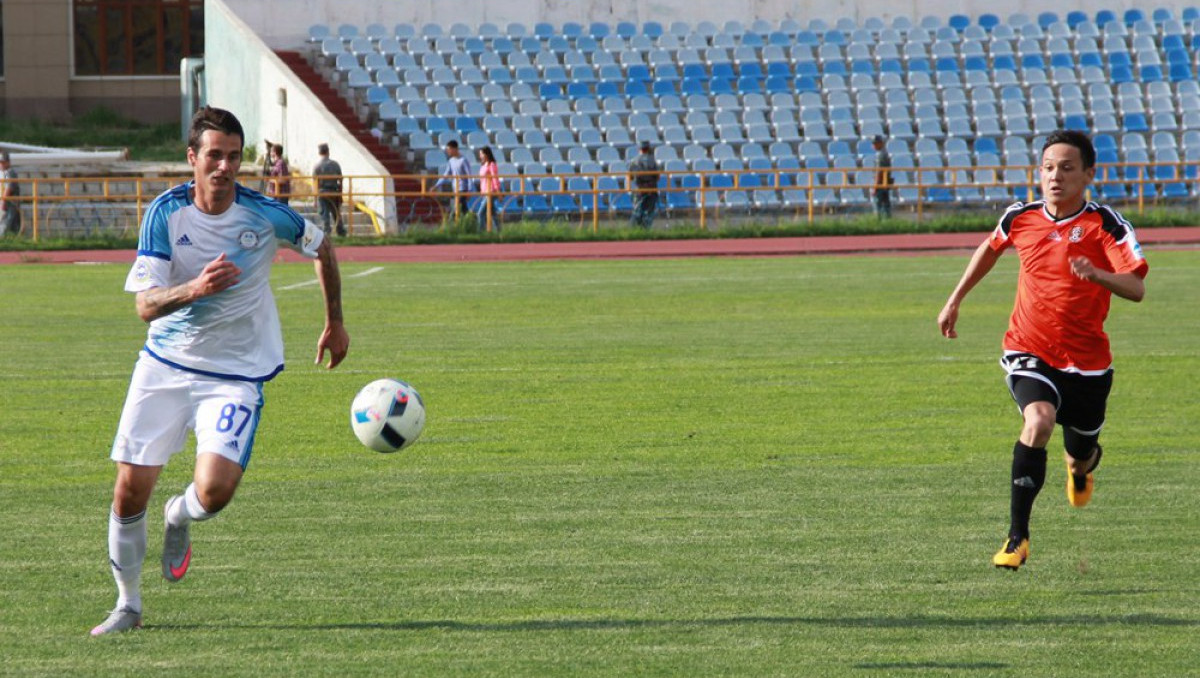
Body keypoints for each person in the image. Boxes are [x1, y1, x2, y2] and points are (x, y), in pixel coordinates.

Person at [90, 106, 350, 636]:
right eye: (214, 155)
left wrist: (335, 322)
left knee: (214, 492)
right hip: (163, 366)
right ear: (193, 158)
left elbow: (321, 246)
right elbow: (145, 306)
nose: (224, 166)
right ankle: (128, 605)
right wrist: (195, 289)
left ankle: (178, 516)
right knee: (127, 492)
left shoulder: (263, 214)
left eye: (233, 156)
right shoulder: (166, 214)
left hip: (234, 373)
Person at [936, 130, 1148, 571]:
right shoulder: (1021, 217)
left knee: (1079, 452)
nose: (1056, 177)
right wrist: (955, 299)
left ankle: (1082, 469)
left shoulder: (1106, 225)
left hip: (1088, 364)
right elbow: (990, 248)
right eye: (1049, 167)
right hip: (1029, 348)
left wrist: (1096, 275)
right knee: (1038, 420)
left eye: (1067, 168)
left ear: (1089, 174)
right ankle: (1017, 537)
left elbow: (1136, 287)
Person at [432, 140, 472, 218]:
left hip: (462, 189)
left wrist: (469, 191)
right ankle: (473, 223)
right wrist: (436, 186)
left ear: (455, 149)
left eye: (449, 149)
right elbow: (446, 175)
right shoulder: (451, 161)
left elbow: (469, 176)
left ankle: (451, 224)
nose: (447, 151)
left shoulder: (463, 160)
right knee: (463, 210)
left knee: (456, 210)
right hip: (455, 189)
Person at [313, 143, 345, 236]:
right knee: (336, 213)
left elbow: (315, 184)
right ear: (328, 152)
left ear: (319, 153)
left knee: (324, 214)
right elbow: (340, 180)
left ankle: (327, 232)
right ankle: (341, 231)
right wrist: (340, 194)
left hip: (322, 192)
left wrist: (315, 199)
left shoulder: (317, 166)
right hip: (334, 191)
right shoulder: (335, 164)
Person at [627, 140, 660, 228]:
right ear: (648, 148)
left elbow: (630, 177)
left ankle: (633, 229)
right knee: (649, 212)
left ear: (639, 148)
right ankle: (645, 229)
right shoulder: (653, 160)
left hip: (639, 190)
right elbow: (657, 177)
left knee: (637, 211)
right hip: (652, 189)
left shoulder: (634, 161)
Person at [475, 145, 501, 233]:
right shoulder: (483, 166)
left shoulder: (491, 165)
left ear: (486, 154)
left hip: (491, 192)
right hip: (485, 192)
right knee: (493, 213)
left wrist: (498, 192)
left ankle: (481, 232)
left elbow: (495, 178)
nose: (480, 156)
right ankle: (499, 231)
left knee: (480, 213)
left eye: (481, 154)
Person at [871, 135, 892, 220]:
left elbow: (879, 171)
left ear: (880, 143)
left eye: (875, 143)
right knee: (886, 205)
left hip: (881, 184)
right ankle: (888, 223)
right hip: (885, 183)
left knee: (878, 205)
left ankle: (878, 223)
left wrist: (875, 187)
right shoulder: (885, 153)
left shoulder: (880, 154)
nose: (873, 146)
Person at [0, 151, 21, 236]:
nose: (1, 164)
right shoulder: (3, 173)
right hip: (6, 201)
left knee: (6, 223)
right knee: (11, 224)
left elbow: (9, 187)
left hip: (10, 203)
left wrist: (4, 201)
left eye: (3, 162)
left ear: (8, 162)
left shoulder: (10, 172)